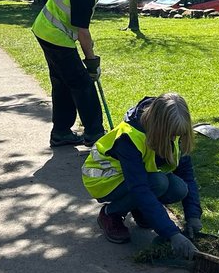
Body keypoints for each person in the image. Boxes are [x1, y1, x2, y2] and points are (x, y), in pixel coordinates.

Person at [81, 92, 201, 260]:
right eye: (172, 134)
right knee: (159, 183)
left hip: (136, 178)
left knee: (179, 188)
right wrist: (172, 233)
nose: (174, 138)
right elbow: (140, 189)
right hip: (104, 180)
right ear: (160, 127)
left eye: (178, 135)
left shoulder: (171, 133)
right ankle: (110, 213)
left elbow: (187, 175)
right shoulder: (129, 138)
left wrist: (193, 215)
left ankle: (139, 208)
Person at [32, 0, 129, 148]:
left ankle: (61, 132)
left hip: (46, 31)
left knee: (63, 83)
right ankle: (95, 134)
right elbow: (83, 32)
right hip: (54, 35)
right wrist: (92, 63)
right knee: (83, 84)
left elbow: (80, 27)